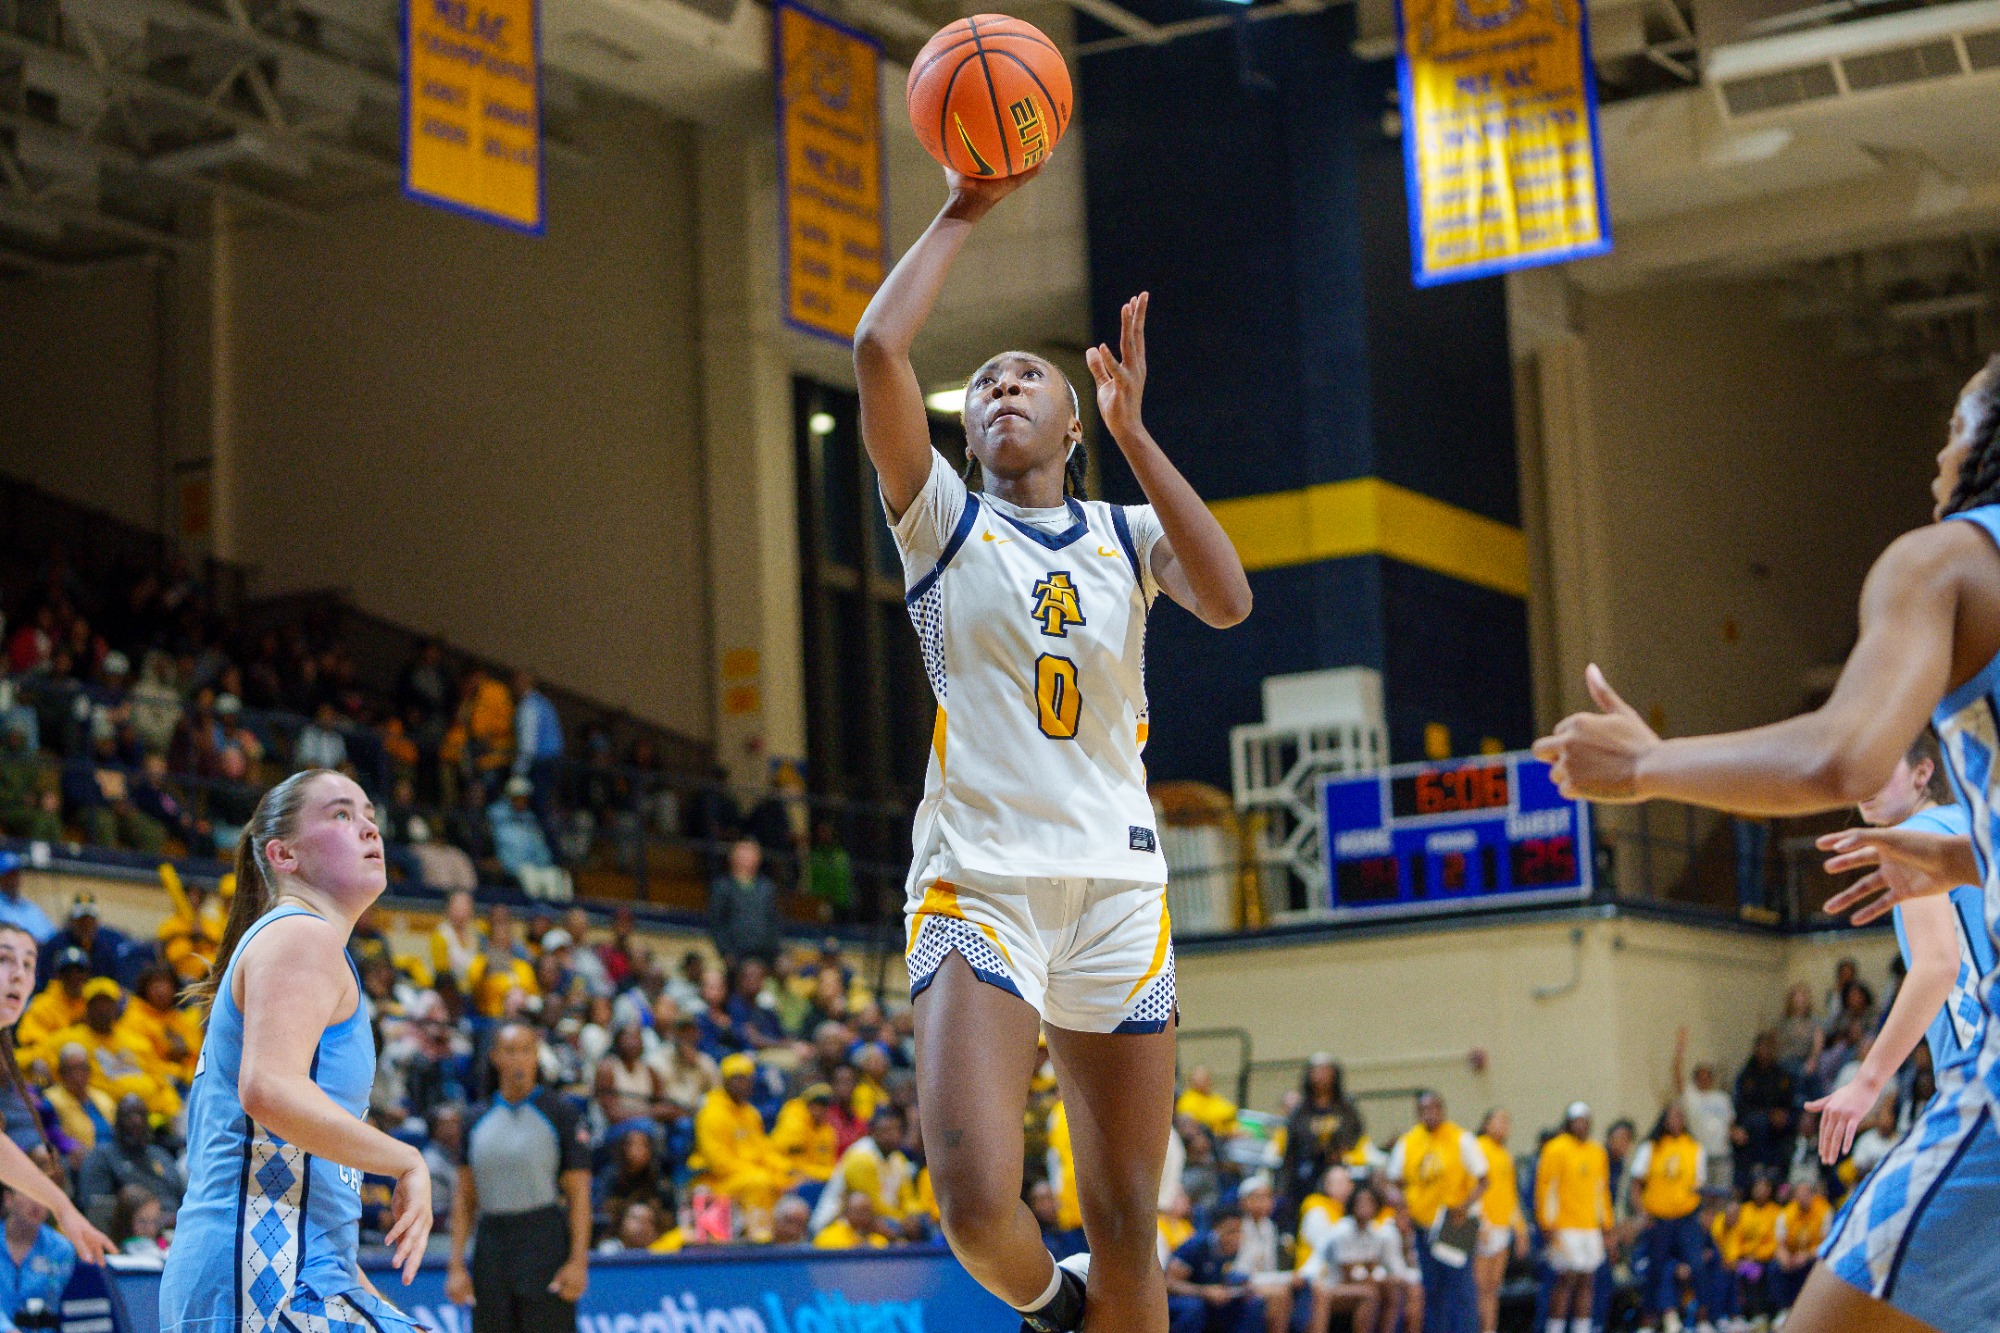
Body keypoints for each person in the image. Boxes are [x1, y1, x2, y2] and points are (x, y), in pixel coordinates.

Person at [857, 152, 1250, 1333]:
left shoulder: (1126, 531)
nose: (999, 391)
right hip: (982, 883)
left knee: (1128, 1219)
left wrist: (1137, 434)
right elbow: (879, 352)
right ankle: (1049, 1306)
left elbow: (1227, 599)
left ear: (1072, 423)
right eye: (980, 386)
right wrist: (957, 213)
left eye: (1026, 379)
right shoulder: (937, 518)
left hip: (1120, 887)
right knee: (976, 1205)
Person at [1532, 352, 2000, 1333]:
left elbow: (1837, 754)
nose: (1936, 451)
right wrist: (1965, 857)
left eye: (1956, 423)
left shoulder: (1946, 561)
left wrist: (1647, 766)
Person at [159, 769, 432, 1333]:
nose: (368, 829)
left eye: (370, 816)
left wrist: (363, 1291)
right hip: (259, 1268)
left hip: (277, 1266)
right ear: (283, 855)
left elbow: (301, 1174)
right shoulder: (300, 936)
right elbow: (268, 1090)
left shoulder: (298, 941)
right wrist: (405, 1159)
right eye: (340, 814)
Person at [1807, 728, 1990, 1166]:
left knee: (1875, 1236)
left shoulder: (1914, 837)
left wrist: (1867, 1082)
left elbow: (1937, 964)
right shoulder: (1975, 827)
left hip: (1980, 1072)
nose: (1864, 787)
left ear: (1922, 772)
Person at [445, 1023, 591, 1333]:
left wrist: (578, 1262)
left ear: (536, 1057)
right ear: (495, 1057)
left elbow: (579, 1195)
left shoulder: (560, 1113)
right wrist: (456, 1265)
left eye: (527, 1050)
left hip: (545, 1238)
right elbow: (464, 1198)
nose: (519, 1059)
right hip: (491, 1244)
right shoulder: (474, 1118)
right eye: (510, 1051)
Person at [1388, 1092, 1485, 1333]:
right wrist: (1399, 1203)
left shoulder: (1461, 1138)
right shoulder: (1408, 1142)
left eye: (1434, 1108)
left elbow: (1484, 1179)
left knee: (1461, 1288)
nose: (1429, 1113)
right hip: (1422, 1224)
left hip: (1456, 1223)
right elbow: (1392, 1181)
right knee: (1432, 1289)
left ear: (1442, 1110)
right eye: (1423, 1109)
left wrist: (1464, 1205)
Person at [1630, 1103, 1706, 1333]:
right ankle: (1650, 1320)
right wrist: (1642, 1212)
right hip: (1658, 1218)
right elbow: (1636, 1184)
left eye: (1680, 1116)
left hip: (1686, 1217)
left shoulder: (1694, 1147)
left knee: (1696, 1265)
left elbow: (1700, 1186)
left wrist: (1703, 1213)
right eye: (1672, 1116)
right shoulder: (1651, 1147)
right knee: (1656, 1268)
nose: (1676, 1120)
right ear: (1664, 1120)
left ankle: (1701, 1319)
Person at [1536, 1103, 1612, 1333]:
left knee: (1587, 1280)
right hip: (1564, 1226)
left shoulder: (1597, 1151)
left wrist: (1606, 1225)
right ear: (1568, 1122)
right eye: (1577, 1120)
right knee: (1565, 1281)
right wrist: (1547, 1224)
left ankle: (1582, 1328)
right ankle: (1555, 1328)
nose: (1581, 1124)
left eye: (1585, 1120)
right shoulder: (1555, 1148)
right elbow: (1545, 1189)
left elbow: (1602, 1190)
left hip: (1589, 1226)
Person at [694, 1052, 793, 1215]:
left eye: (747, 1079)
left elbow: (764, 1150)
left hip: (749, 1174)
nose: (743, 1085)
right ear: (725, 1082)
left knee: (788, 1180)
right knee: (760, 1181)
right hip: (717, 1181)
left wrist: (786, 1168)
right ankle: (759, 1234)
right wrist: (758, 1171)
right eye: (737, 1079)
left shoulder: (750, 1113)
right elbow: (719, 1163)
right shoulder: (712, 1112)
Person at [1300, 1182, 1401, 1333]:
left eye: (1369, 1202)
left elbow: (1371, 1267)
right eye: (1360, 1202)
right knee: (1369, 1293)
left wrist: (1381, 1280)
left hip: (1348, 1287)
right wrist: (1374, 1280)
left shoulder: (1374, 1233)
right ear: (1352, 1204)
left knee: (1391, 1289)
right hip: (1325, 1283)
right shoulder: (1342, 1229)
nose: (1364, 1206)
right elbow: (1347, 1274)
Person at [1281, 1056, 1365, 1229]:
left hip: (1338, 1166)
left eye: (1326, 1071)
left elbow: (1355, 1132)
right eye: (1317, 1072)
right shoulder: (1301, 1110)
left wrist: (1340, 1149)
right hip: (1307, 1172)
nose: (1321, 1077)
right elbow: (1292, 1145)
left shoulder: (1345, 1108)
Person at [75, 1094, 183, 1230]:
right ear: (117, 1122)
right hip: (131, 1237)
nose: (136, 1121)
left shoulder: (161, 1155)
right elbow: (95, 1205)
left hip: (178, 1230)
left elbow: (183, 1197)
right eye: (128, 1116)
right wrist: (151, 1219)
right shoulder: (102, 1156)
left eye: (141, 1115)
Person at [812, 1105, 919, 1238]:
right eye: (885, 1131)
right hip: (837, 1224)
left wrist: (913, 1216)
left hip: (884, 1219)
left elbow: (908, 1197)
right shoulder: (861, 1157)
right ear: (872, 1132)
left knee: (922, 1225)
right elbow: (872, 1206)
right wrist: (903, 1221)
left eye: (895, 1130)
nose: (890, 1136)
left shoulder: (898, 1159)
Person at [1167, 1204, 1265, 1333]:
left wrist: (1239, 1286)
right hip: (1182, 1299)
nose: (1236, 1237)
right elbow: (1169, 1284)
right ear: (1216, 1228)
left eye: (1239, 1231)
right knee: (1194, 1308)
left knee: (1253, 1302)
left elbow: (1219, 1275)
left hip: (1209, 1297)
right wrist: (1204, 1291)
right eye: (1231, 1231)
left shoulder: (1232, 1249)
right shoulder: (1196, 1246)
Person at [0, 1169, 75, 1333]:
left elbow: (57, 1307)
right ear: (8, 1199)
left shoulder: (61, 1249)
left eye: (43, 1196)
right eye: (28, 1193)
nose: (37, 1203)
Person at [1472, 1111, 1525, 1333]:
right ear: (1486, 1124)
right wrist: (1478, 1223)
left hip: (1502, 1227)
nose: (1504, 1125)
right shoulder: (1477, 1148)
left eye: (1507, 1121)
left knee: (1493, 1289)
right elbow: (1470, 1186)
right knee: (1478, 1288)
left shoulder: (1505, 1155)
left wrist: (1521, 1230)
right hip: (1484, 1226)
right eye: (1499, 1120)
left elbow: (1511, 1195)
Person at [1669, 1030, 1735, 1189]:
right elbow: (1677, 1076)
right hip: (1700, 1155)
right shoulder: (1691, 1098)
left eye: (1708, 1076)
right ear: (1695, 1078)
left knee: (1721, 1196)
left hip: (1722, 1155)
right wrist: (1679, 1051)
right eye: (1701, 1076)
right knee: (1702, 1196)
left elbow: (1730, 1122)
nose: (1704, 1079)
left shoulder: (1722, 1098)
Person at [707, 838, 780, 967]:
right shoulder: (722, 886)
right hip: (736, 953)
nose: (746, 860)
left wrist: (775, 949)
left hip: (765, 953)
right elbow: (716, 921)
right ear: (733, 858)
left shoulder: (767, 887)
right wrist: (725, 951)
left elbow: (774, 920)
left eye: (751, 855)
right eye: (742, 855)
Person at [33, 896, 122, 987]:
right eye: (81, 920)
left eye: (90, 920)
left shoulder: (106, 948)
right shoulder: (54, 946)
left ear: (96, 922)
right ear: (71, 921)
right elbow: (44, 981)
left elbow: (114, 984)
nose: (86, 925)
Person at [1773, 1177, 1829, 1311]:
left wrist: (1807, 1255)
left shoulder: (1824, 1211)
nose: (1802, 1197)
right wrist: (1784, 1257)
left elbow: (1828, 1243)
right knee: (1774, 1268)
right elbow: (1780, 1244)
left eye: (1806, 1194)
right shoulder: (1786, 1213)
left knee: (1814, 1266)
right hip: (1793, 1255)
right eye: (1799, 1194)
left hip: (1815, 1256)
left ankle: (1812, 1309)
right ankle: (1783, 1310)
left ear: (1812, 1195)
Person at [1177, 1067, 1239, 1142]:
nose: (1202, 1082)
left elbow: (1231, 1111)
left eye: (1205, 1079)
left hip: (1233, 1133)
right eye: (1199, 1080)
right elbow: (1202, 1123)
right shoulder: (1187, 1101)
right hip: (1214, 1139)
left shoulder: (1214, 1098)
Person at [0, 857, 52, 947]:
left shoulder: (31, 907)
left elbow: (51, 935)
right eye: (8, 876)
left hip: (40, 954)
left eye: (16, 875)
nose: (13, 880)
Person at [814, 1190, 890, 1250]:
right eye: (859, 1212)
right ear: (846, 1212)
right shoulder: (828, 1237)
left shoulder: (879, 1240)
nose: (863, 1216)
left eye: (868, 1211)